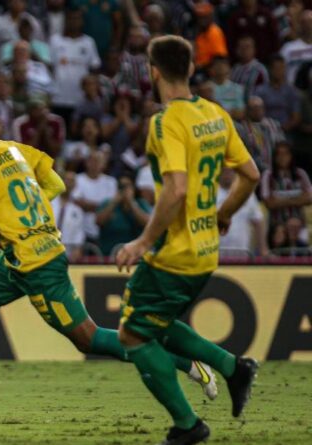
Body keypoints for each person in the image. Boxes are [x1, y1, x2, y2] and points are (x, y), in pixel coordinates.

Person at [0, 102, 216, 430]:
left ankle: (188, 363)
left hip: (39, 265)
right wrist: (18, 216)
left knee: (89, 339)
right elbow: (56, 185)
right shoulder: (14, 148)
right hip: (17, 258)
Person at [114, 36, 260, 445]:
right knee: (155, 325)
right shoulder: (215, 114)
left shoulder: (165, 122)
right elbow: (250, 174)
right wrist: (224, 213)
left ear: (153, 72)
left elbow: (175, 189)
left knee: (132, 335)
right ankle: (233, 368)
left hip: (173, 253)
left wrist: (143, 240)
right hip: (206, 249)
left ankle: (187, 425)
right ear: (192, 69)